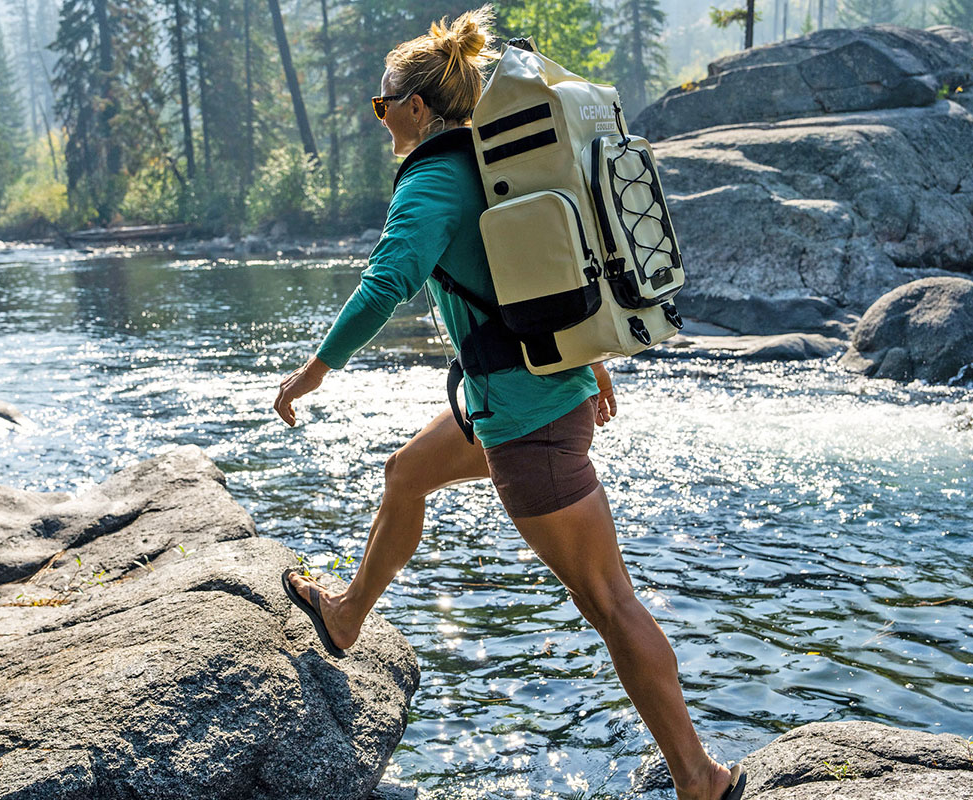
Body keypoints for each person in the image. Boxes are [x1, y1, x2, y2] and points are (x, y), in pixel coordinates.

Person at [273, 7, 745, 800]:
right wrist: (590, 363)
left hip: (526, 425)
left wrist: (316, 370)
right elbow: (536, 271)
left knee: (610, 602)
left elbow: (386, 281)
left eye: (381, 98)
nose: (377, 111)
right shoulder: (487, 162)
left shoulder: (432, 181)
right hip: (522, 396)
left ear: (415, 106)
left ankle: (697, 778)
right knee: (406, 474)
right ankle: (350, 612)